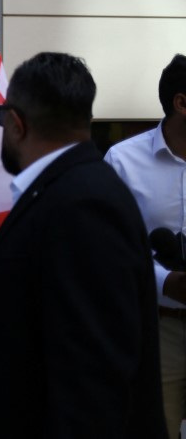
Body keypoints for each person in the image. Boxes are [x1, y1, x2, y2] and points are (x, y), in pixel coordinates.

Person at [0, 52, 166, 437]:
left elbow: (94, 380)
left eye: (1, 119)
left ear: (16, 124)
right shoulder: (65, 192)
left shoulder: (84, 204)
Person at [105, 53, 186, 439]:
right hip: (157, 329)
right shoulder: (122, 162)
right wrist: (165, 282)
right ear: (181, 103)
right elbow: (107, 249)